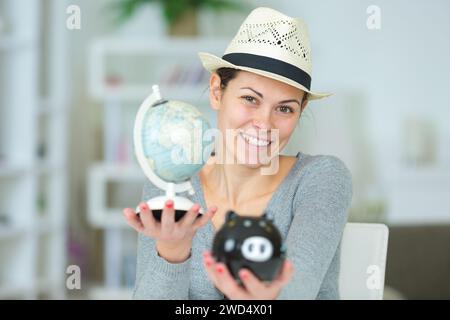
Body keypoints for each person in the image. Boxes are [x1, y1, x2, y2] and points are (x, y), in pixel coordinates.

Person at [123, 7, 352, 300]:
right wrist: (172, 253)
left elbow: (294, 293)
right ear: (217, 91)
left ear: (301, 110)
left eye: (284, 108)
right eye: (249, 99)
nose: (264, 124)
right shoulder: (172, 178)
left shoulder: (321, 179)